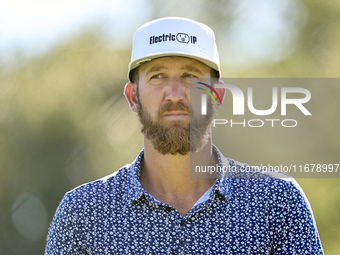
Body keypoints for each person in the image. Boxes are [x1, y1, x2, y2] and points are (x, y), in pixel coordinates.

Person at [45, 17, 324, 254]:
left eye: (191, 76)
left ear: (217, 95)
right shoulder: (82, 214)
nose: (175, 94)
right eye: (157, 76)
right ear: (133, 97)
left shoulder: (277, 202)